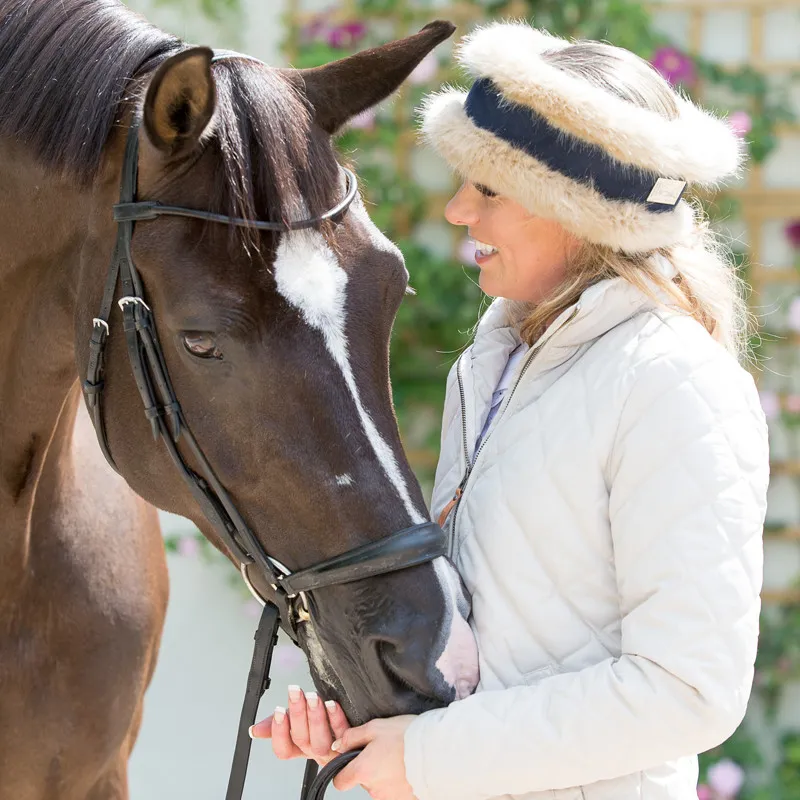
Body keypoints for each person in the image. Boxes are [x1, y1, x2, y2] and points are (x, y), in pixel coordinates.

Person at [251, 20, 770, 800]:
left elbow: (689, 690)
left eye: (489, 189)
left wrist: (430, 758)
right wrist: (365, 717)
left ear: (579, 209)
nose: (459, 211)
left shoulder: (673, 382)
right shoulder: (496, 362)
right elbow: (494, 638)